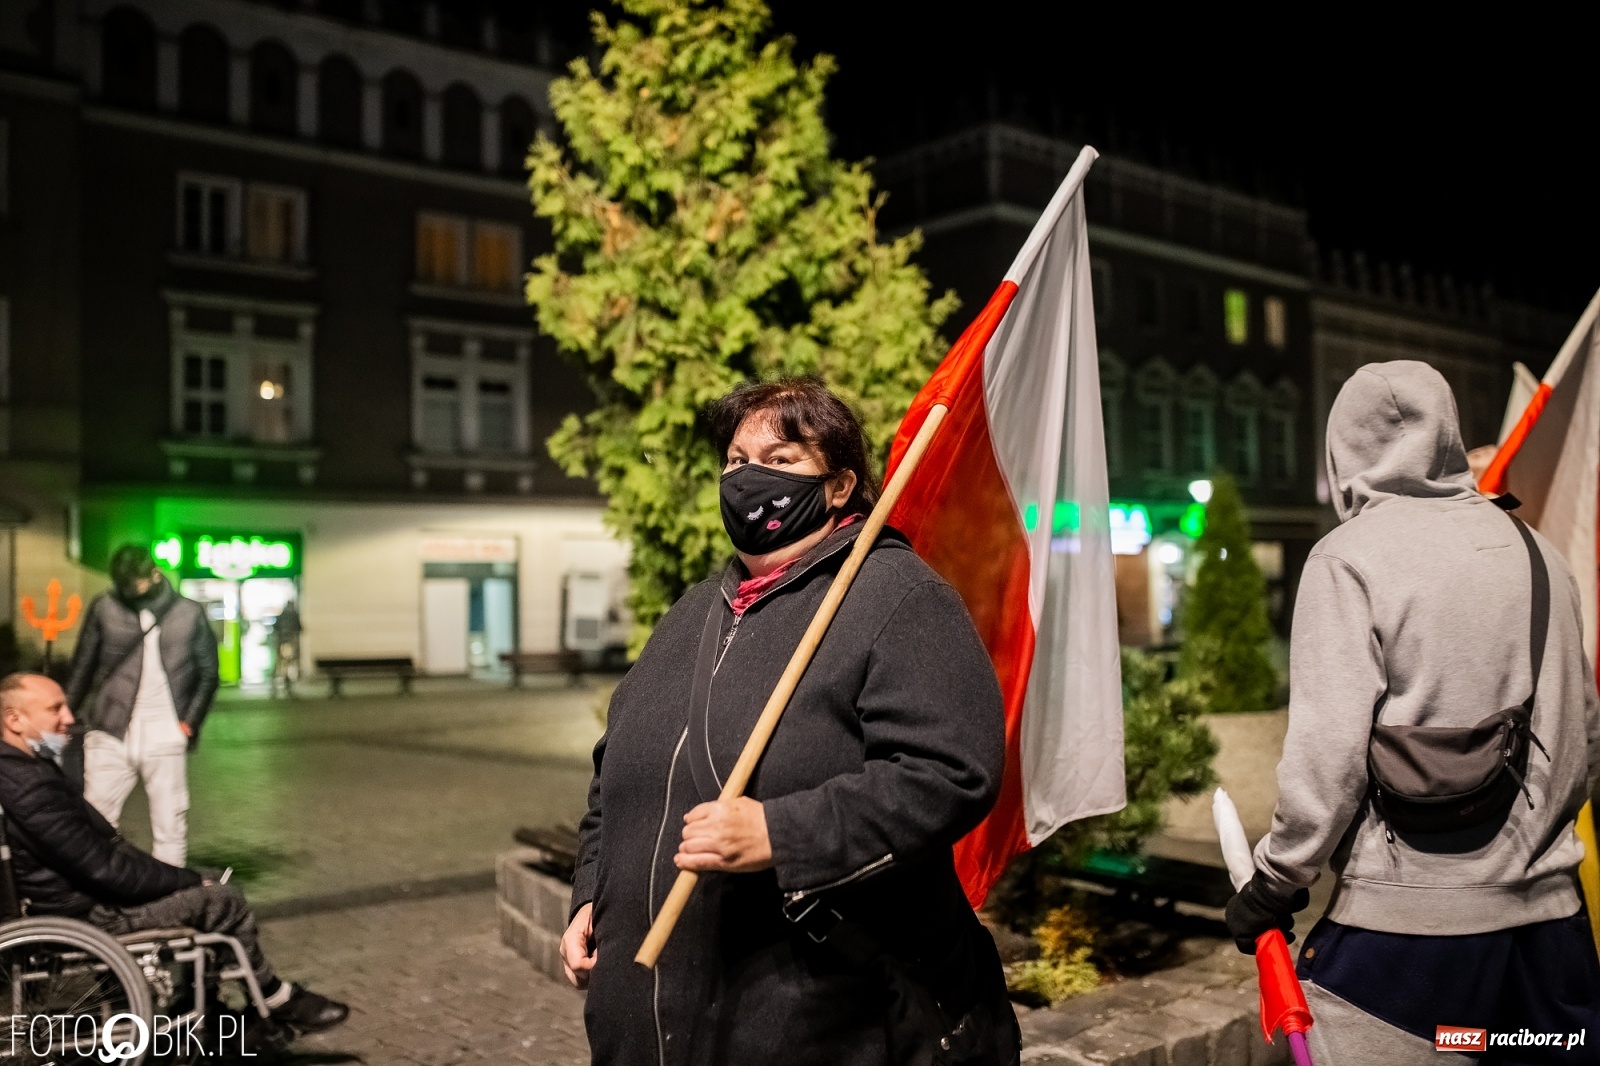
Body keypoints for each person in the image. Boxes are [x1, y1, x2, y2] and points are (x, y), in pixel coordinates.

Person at [561, 379, 1018, 1066]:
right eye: (736, 460)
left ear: (839, 487)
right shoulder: (691, 612)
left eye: (779, 460)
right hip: (645, 1028)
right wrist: (590, 894)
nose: (749, 478)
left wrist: (782, 832)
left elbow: (951, 772)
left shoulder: (899, 597)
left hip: (818, 1026)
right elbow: (615, 774)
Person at [1226, 362, 1600, 1064]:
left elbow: (1326, 761)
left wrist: (1275, 881)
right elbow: (1584, 735)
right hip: (1552, 938)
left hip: (1408, 943)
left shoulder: (1347, 559)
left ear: (1345, 449)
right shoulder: (1540, 552)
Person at [0, 672, 348, 1035]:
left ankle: (206, 1006)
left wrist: (184, 878)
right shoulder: (29, 786)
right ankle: (275, 999)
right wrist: (189, 880)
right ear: (15, 720)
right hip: (90, 915)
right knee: (223, 899)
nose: (69, 717)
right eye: (55, 708)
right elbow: (105, 870)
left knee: (207, 884)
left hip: (77, 901)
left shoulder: (22, 769)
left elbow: (99, 858)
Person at [65, 543, 218, 866]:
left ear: (155, 573)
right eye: (121, 584)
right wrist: (65, 710)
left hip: (166, 728)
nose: (128, 591)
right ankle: (100, 887)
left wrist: (188, 723)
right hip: (108, 727)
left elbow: (209, 673)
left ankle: (171, 889)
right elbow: (83, 664)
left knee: (170, 822)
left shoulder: (188, 612)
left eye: (135, 584)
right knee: (96, 817)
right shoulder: (104, 607)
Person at [271, 600, 302, 698]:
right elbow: (300, 628)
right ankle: (288, 688)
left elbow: (275, 628)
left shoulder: (281, 615)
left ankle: (274, 688)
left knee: (279, 666)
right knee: (289, 665)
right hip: (289, 643)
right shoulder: (294, 615)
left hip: (281, 642)